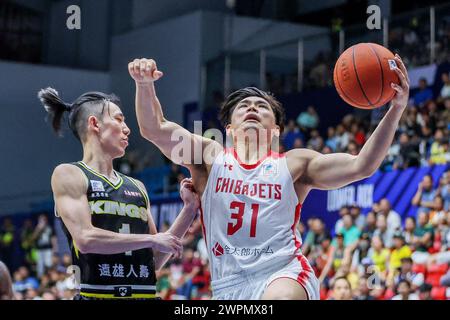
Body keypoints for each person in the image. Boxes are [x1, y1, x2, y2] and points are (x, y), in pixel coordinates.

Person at [130, 54, 410, 300]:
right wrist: (144, 85)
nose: (252, 107)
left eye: (262, 106)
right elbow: (154, 129)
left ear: (276, 130)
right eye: (244, 105)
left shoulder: (295, 163)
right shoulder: (209, 156)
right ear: (229, 128)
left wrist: (395, 110)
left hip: (283, 271)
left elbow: (362, 165)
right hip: (228, 284)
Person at [37, 88, 200, 300]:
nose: (127, 129)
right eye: (119, 120)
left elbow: (156, 258)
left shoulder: (137, 186)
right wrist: (151, 239)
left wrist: (189, 209)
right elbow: (86, 239)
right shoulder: (69, 173)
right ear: (95, 124)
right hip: (98, 295)